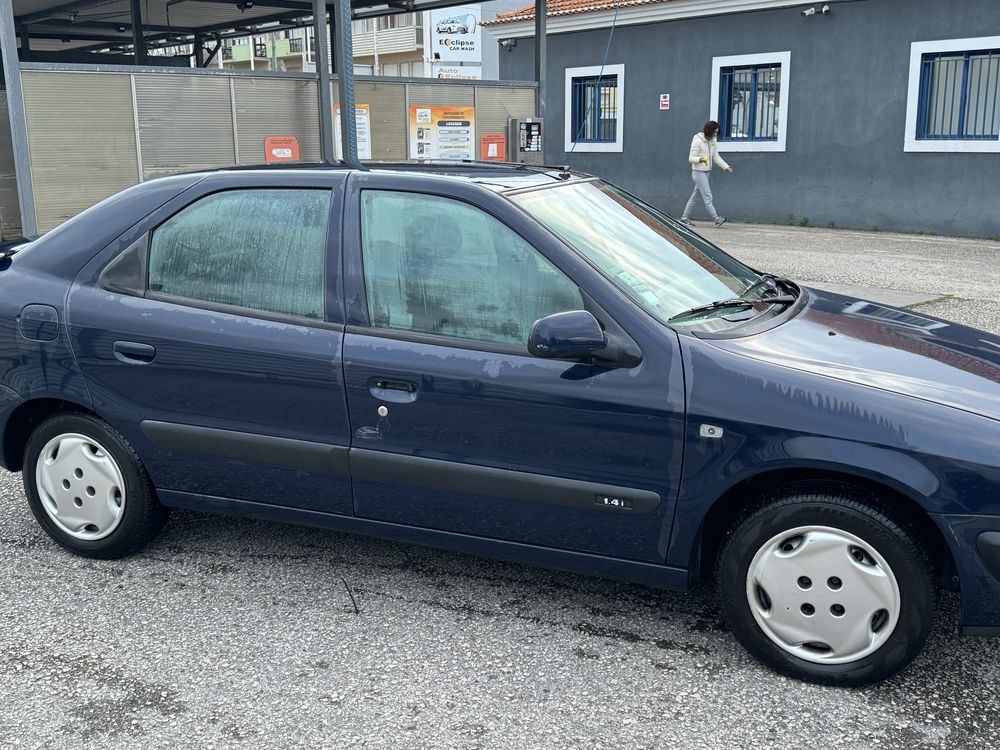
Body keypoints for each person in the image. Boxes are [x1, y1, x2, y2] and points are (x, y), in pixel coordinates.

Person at [680, 120, 733, 227]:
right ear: (709, 131)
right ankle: (716, 218)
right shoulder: (697, 141)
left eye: (717, 133)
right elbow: (691, 158)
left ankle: (684, 218)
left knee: (695, 196)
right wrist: (700, 159)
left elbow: (716, 157)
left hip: (706, 172)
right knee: (707, 196)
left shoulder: (712, 141)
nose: (715, 134)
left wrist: (726, 167)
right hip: (698, 172)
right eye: (714, 132)